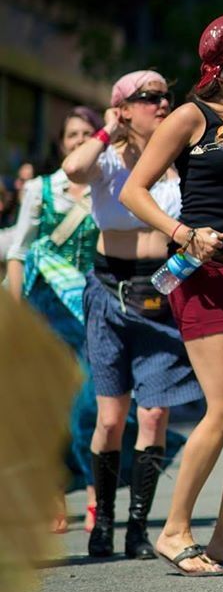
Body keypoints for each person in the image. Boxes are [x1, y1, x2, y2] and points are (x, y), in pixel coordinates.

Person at [118, 16, 223, 575]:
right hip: (200, 274)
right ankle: (174, 529)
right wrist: (183, 233)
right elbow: (133, 191)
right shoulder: (190, 116)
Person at [62, 72, 204, 561]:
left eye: (166, 96)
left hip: (160, 291)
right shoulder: (107, 158)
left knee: (155, 412)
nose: (161, 104)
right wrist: (107, 129)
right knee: (109, 419)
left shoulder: (178, 157)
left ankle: (139, 528)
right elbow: (72, 169)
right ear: (123, 108)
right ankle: (103, 520)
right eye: (148, 97)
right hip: (108, 290)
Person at [7, 108, 102, 529]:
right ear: (62, 143)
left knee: (91, 405)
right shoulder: (41, 189)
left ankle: (97, 492)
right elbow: (18, 252)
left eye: (86, 133)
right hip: (46, 308)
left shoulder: (108, 184)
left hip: (93, 308)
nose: (79, 140)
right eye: (72, 134)